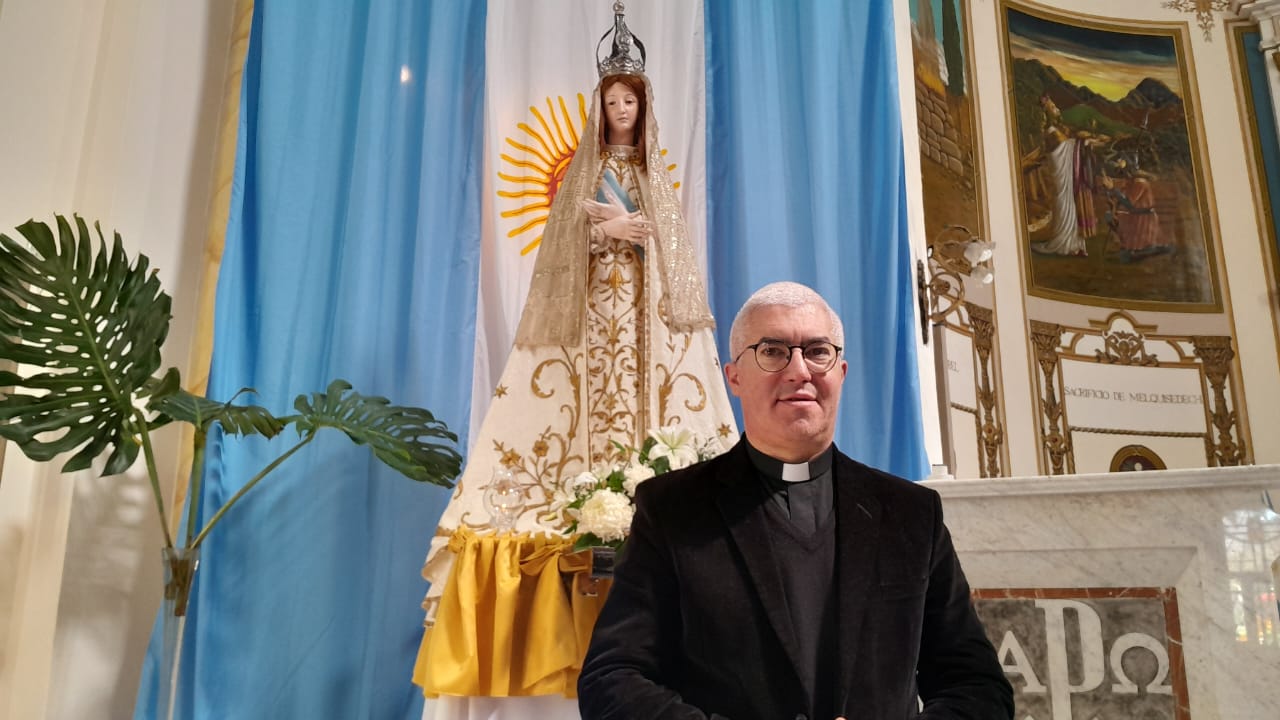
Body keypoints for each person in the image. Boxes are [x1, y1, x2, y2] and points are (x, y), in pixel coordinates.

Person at [418, 4, 736, 616]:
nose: (622, 110)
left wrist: (634, 229)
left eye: (630, 101)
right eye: (613, 101)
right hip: (591, 310)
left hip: (644, 314)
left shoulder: (652, 176)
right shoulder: (583, 174)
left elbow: (669, 245)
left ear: (644, 105)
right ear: (600, 107)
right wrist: (606, 229)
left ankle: (647, 493)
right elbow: (565, 240)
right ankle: (587, 498)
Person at [579, 282, 1013, 720]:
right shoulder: (672, 509)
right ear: (734, 377)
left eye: (818, 351)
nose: (799, 370)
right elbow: (611, 677)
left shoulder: (911, 514)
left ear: (841, 372)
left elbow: (977, 685)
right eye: (772, 351)